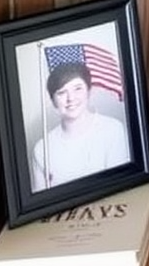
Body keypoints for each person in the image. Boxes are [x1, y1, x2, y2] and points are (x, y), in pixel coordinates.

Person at [30, 59, 129, 190]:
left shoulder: (113, 130)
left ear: (89, 91)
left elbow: (119, 186)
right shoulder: (41, 149)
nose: (70, 98)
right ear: (53, 101)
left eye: (77, 88)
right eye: (61, 92)